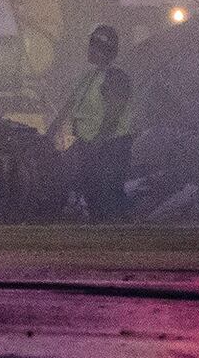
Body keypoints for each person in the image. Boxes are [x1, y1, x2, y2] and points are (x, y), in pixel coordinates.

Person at [48, 22, 137, 221]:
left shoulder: (115, 78)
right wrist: (52, 130)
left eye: (92, 46)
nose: (88, 50)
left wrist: (98, 142)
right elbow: (70, 107)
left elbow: (113, 114)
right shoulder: (89, 77)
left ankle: (118, 236)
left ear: (101, 49)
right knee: (92, 194)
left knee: (107, 195)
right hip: (89, 145)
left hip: (110, 147)